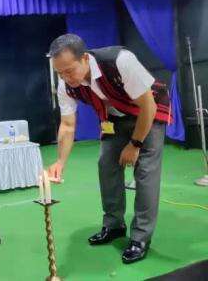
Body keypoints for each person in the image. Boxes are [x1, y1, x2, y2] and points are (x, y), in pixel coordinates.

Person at [47, 34, 171, 264]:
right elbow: (67, 125)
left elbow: (148, 106)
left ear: (84, 58)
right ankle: (114, 225)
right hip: (114, 118)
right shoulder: (66, 84)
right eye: (59, 72)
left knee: (145, 173)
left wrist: (135, 145)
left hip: (148, 112)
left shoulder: (120, 61)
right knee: (106, 164)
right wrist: (60, 163)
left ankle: (140, 237)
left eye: (69, 70)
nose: (65, 77)